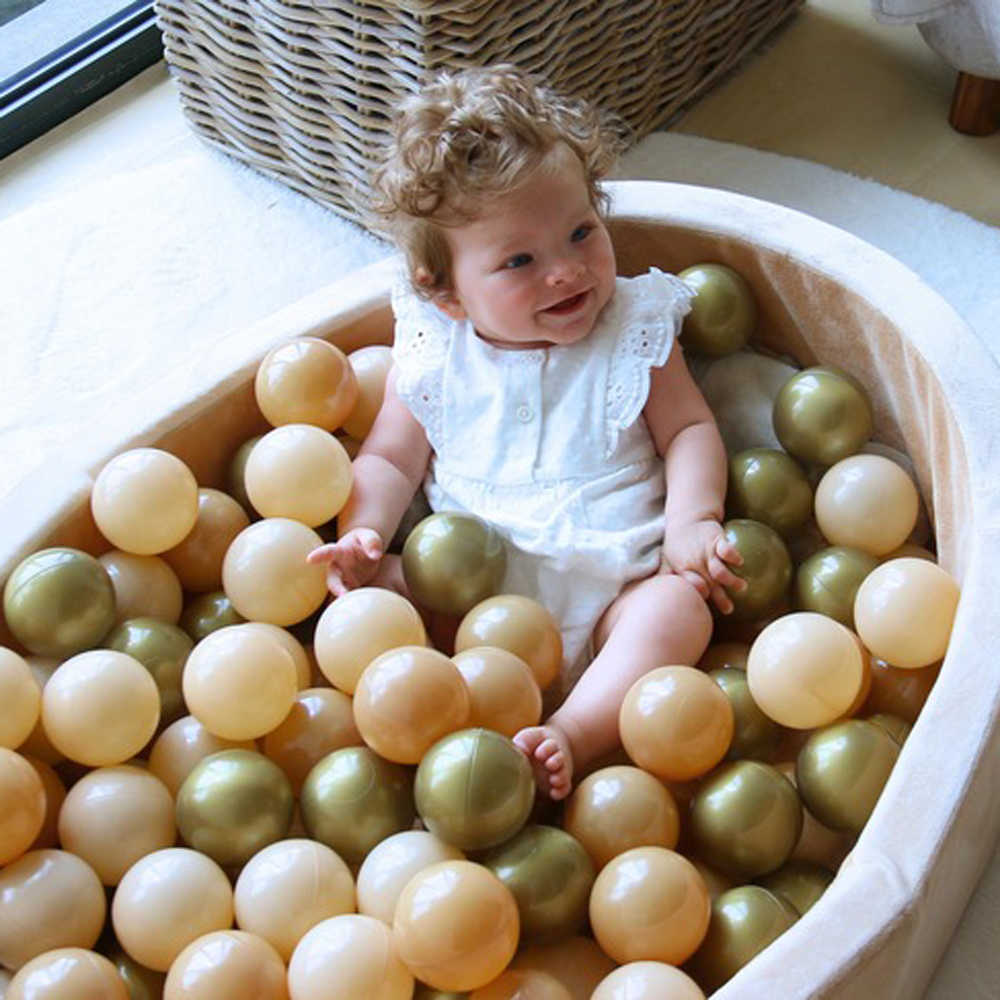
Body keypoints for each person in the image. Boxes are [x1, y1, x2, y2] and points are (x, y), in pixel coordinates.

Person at [308, 64, 744, 799]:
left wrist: (691, 524)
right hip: (466, 607)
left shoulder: (632, 327)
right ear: (445, 293)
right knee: (374, 601)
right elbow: (387, 457)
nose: (567, 271)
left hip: (614, 589)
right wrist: (365, 534)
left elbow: (690, 429)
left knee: (678, 611)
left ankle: (574, 730)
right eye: (519, 261)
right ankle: (423, 744)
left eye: (582, 231)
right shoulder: (435, 353)